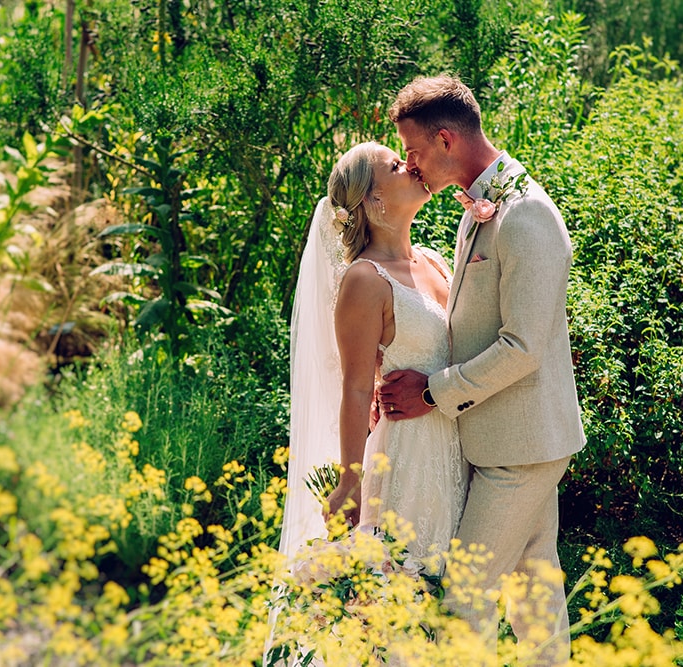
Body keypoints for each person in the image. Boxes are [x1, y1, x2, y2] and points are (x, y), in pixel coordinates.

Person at [377, 75, 586, 665]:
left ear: (445, 140)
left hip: (522, 448)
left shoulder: (526, 215)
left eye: (414, 152)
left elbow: (523, 347)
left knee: (464, 599)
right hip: (505, 438)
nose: (411, 167)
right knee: (534, 590)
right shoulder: (477, 206)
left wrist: (435, 392)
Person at [277, 139, 468, 579]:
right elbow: (358, 387)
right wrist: (350, 480)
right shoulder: (364, 280)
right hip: (409, 457)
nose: (413, 165)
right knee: (412, 599)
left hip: (461, 448)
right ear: (373, 197)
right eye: (397, 164)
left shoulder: (435, 262)